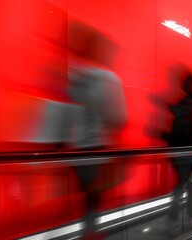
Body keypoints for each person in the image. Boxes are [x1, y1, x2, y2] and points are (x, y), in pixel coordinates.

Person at [67, 21, 128, 238]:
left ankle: (87, 230)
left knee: (87, 197)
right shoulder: (107, 79)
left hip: (76, 150)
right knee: (95, 199)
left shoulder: (73, 79)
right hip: (99, 149)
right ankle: (91, 232)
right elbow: (118, 118)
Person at [160, 67, 192, 230]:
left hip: (176, 152)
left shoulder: (179, 106)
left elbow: (173, 130)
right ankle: (184, 217)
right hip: (188, 153)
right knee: (188, 185)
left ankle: (178, 218)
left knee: (183, 184)